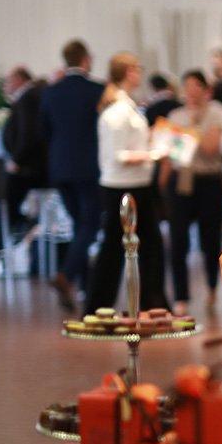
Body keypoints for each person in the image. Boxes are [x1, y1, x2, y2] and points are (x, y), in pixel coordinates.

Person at [83, 52, 167, 315]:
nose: (140, 73)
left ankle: (153, 304)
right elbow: (117, 156)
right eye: (137, 69)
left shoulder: (126, 106)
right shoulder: (117, 112)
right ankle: (100, 307)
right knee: (117, 249)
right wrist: (154, 155)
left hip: (136, 184)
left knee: (146, 247)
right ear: (128, 72)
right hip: (123, 187)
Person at [40, 39, 104, 312]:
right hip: (89, 167)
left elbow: (44, 131)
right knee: (90, 225)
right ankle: (66, 275)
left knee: (80, 226)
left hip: (60, 168)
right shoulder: (98, 90)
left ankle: (84, 285)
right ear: (86, 59)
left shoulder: (51, 92)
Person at [0, 66, 47, 284]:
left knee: (4, 214)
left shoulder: (28, 98)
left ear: (20, 79)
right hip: (24, 167)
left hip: (26, 169)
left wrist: (17, 161)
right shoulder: (27, 98)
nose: (5, 86)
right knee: (6, 214)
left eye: (8, 81)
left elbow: (29, 134)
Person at [163, 69, 222, 314]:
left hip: (208, 182)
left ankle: (211, 286)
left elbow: (211, 149)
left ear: (205, 89)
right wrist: (161, 183)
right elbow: (172, 154)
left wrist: (192, 127)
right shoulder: (175, 115)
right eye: (186, 86)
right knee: (178, 240)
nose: (190, 91)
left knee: (210, 239)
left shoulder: (215, 114)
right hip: (181, 182)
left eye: (195, 86)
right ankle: (181, 297)